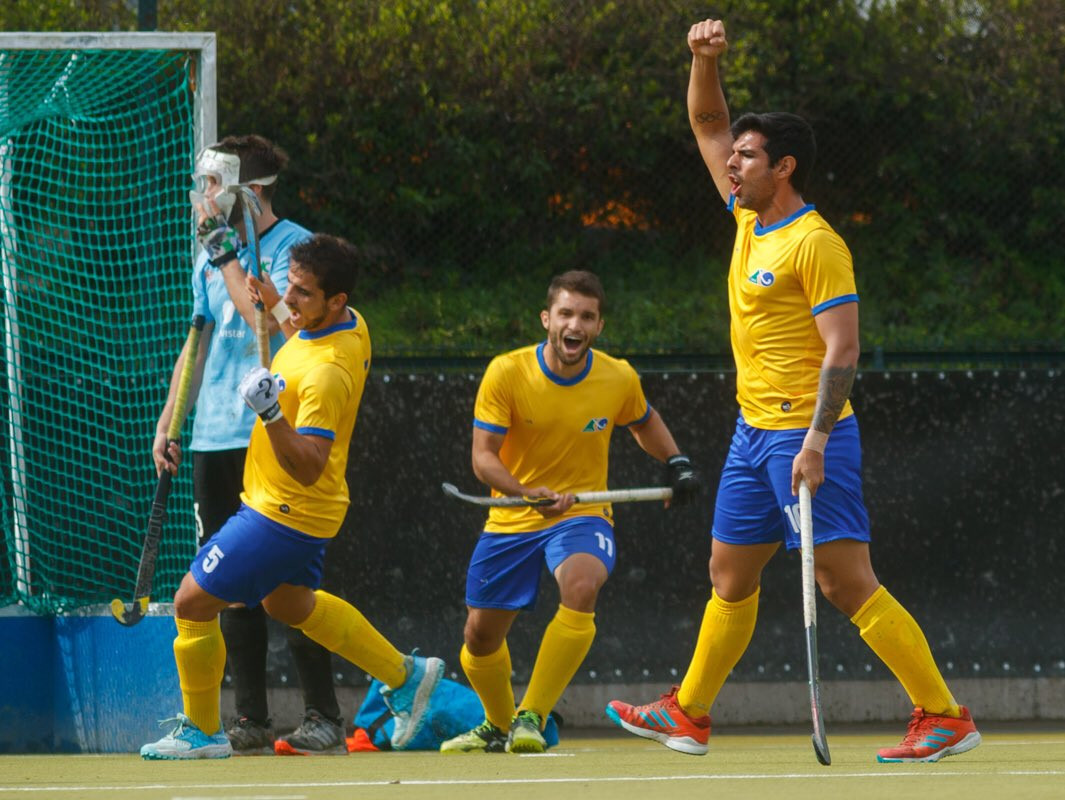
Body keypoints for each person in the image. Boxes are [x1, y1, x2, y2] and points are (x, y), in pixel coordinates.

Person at [605, 19, 981, 764]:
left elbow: (844, 349)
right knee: (729, 574)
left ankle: (943, 714)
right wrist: (701, 59)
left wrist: (814, 441)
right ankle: (689, 713)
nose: (730, 163)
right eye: (734, 155)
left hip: (809, 433)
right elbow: (706, 118)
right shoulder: (746, 214)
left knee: (844, 581)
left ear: (784, 166)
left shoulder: (817, 243)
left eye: (746, 156)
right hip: (751, 434)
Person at [141, 233, 444, 759]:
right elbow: (296, 327)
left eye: (304, 293)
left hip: (284, 510)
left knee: (192, 601)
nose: (293, 299)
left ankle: (201, 730)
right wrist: (275, 300)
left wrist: (271, 411)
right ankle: (404, 674)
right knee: (290, 603)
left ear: (336, 302)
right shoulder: (347, 324)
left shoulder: (329, 373)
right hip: (301, 508)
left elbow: (308, 465)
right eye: (292, 286)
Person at [438, 270, 701, 754]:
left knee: (581, 585)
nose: (574, 324)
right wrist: (525, 491)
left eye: (586, 316)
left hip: (583, 513)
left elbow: (643, 422)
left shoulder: (617, 376)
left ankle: (532, 715)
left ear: (598, 326)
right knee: (478, 638)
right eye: (565, 313)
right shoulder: (508, 372)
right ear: (547, 319)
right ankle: (499, 724)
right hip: (513, 516)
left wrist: (676, 463)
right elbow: (483, 458)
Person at [153, 135, 348, 756]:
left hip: (268, 435)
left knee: (287, 586)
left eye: (214, 186)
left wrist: (227, 255)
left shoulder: (295, 251)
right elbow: (199, 340)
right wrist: (170, 421)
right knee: (223, 582)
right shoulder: (211, 256)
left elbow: (268, 321)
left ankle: (322, 715)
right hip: (213, 434)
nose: (202, 198)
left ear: (250, 193)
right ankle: (249, 718)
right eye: (202, 185)